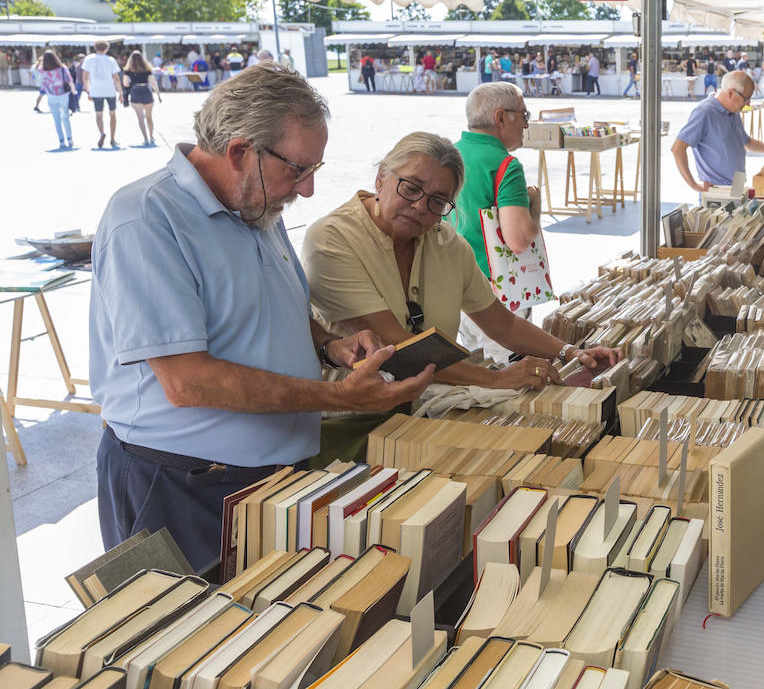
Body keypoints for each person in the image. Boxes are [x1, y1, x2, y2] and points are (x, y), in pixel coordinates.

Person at [89, 63, 433, 571]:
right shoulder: (146, 218)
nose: (309, 189)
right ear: (239, 151)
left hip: (269, 473)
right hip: (181, 483)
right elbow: (188, 382)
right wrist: (338, 397)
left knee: (266, 631)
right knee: (184, 639)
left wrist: (326, 345)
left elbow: (277, 307)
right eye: (299, 170)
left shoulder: (254, 203)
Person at [304, 129, 620, 394]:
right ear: (381, 178)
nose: (419, 207)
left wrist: (570, 352)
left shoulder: (447, 243)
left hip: (429, 404)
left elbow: (503, 323)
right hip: (360, 415)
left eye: (438, 201)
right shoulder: (332, 239)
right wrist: (497, 379)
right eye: (411, 188)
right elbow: (396, 345)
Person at [444, 83, 544, 357]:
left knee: (481, 371)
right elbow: (518, 240)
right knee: (508, 377)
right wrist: (534, 209)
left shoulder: (448, 155)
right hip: (498, 293)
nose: (526, 124)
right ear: (500, 117)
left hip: (455, 287)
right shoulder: (505, 165)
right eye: (523, 115)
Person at [671, 69, 764, 193]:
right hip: (717, 188)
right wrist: (693, 184)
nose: (748, 103)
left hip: (737, 184)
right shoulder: (705, 112)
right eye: (746, 98)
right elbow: (678, 148)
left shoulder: (733, 112)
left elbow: (746, 142)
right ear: (731, 93)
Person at [31, 50, 76, 149]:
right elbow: (70, 81)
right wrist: (73, 91)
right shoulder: (62, 68)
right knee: (65, 117)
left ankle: (61, 141)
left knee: (56, 120)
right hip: (63, 94)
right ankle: (70, 139)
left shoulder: (42, 70)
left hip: (51, 95)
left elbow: (40, 79)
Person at [122, 50, 162, 147]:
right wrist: (158, 94)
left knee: (140, 118)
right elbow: (153, 83)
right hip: (146, 92)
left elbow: (125, 84)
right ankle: (152, 137)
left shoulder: (128, 71)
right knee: (149, 117)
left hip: (135, 92)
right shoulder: (147, 69)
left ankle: (145, 139)